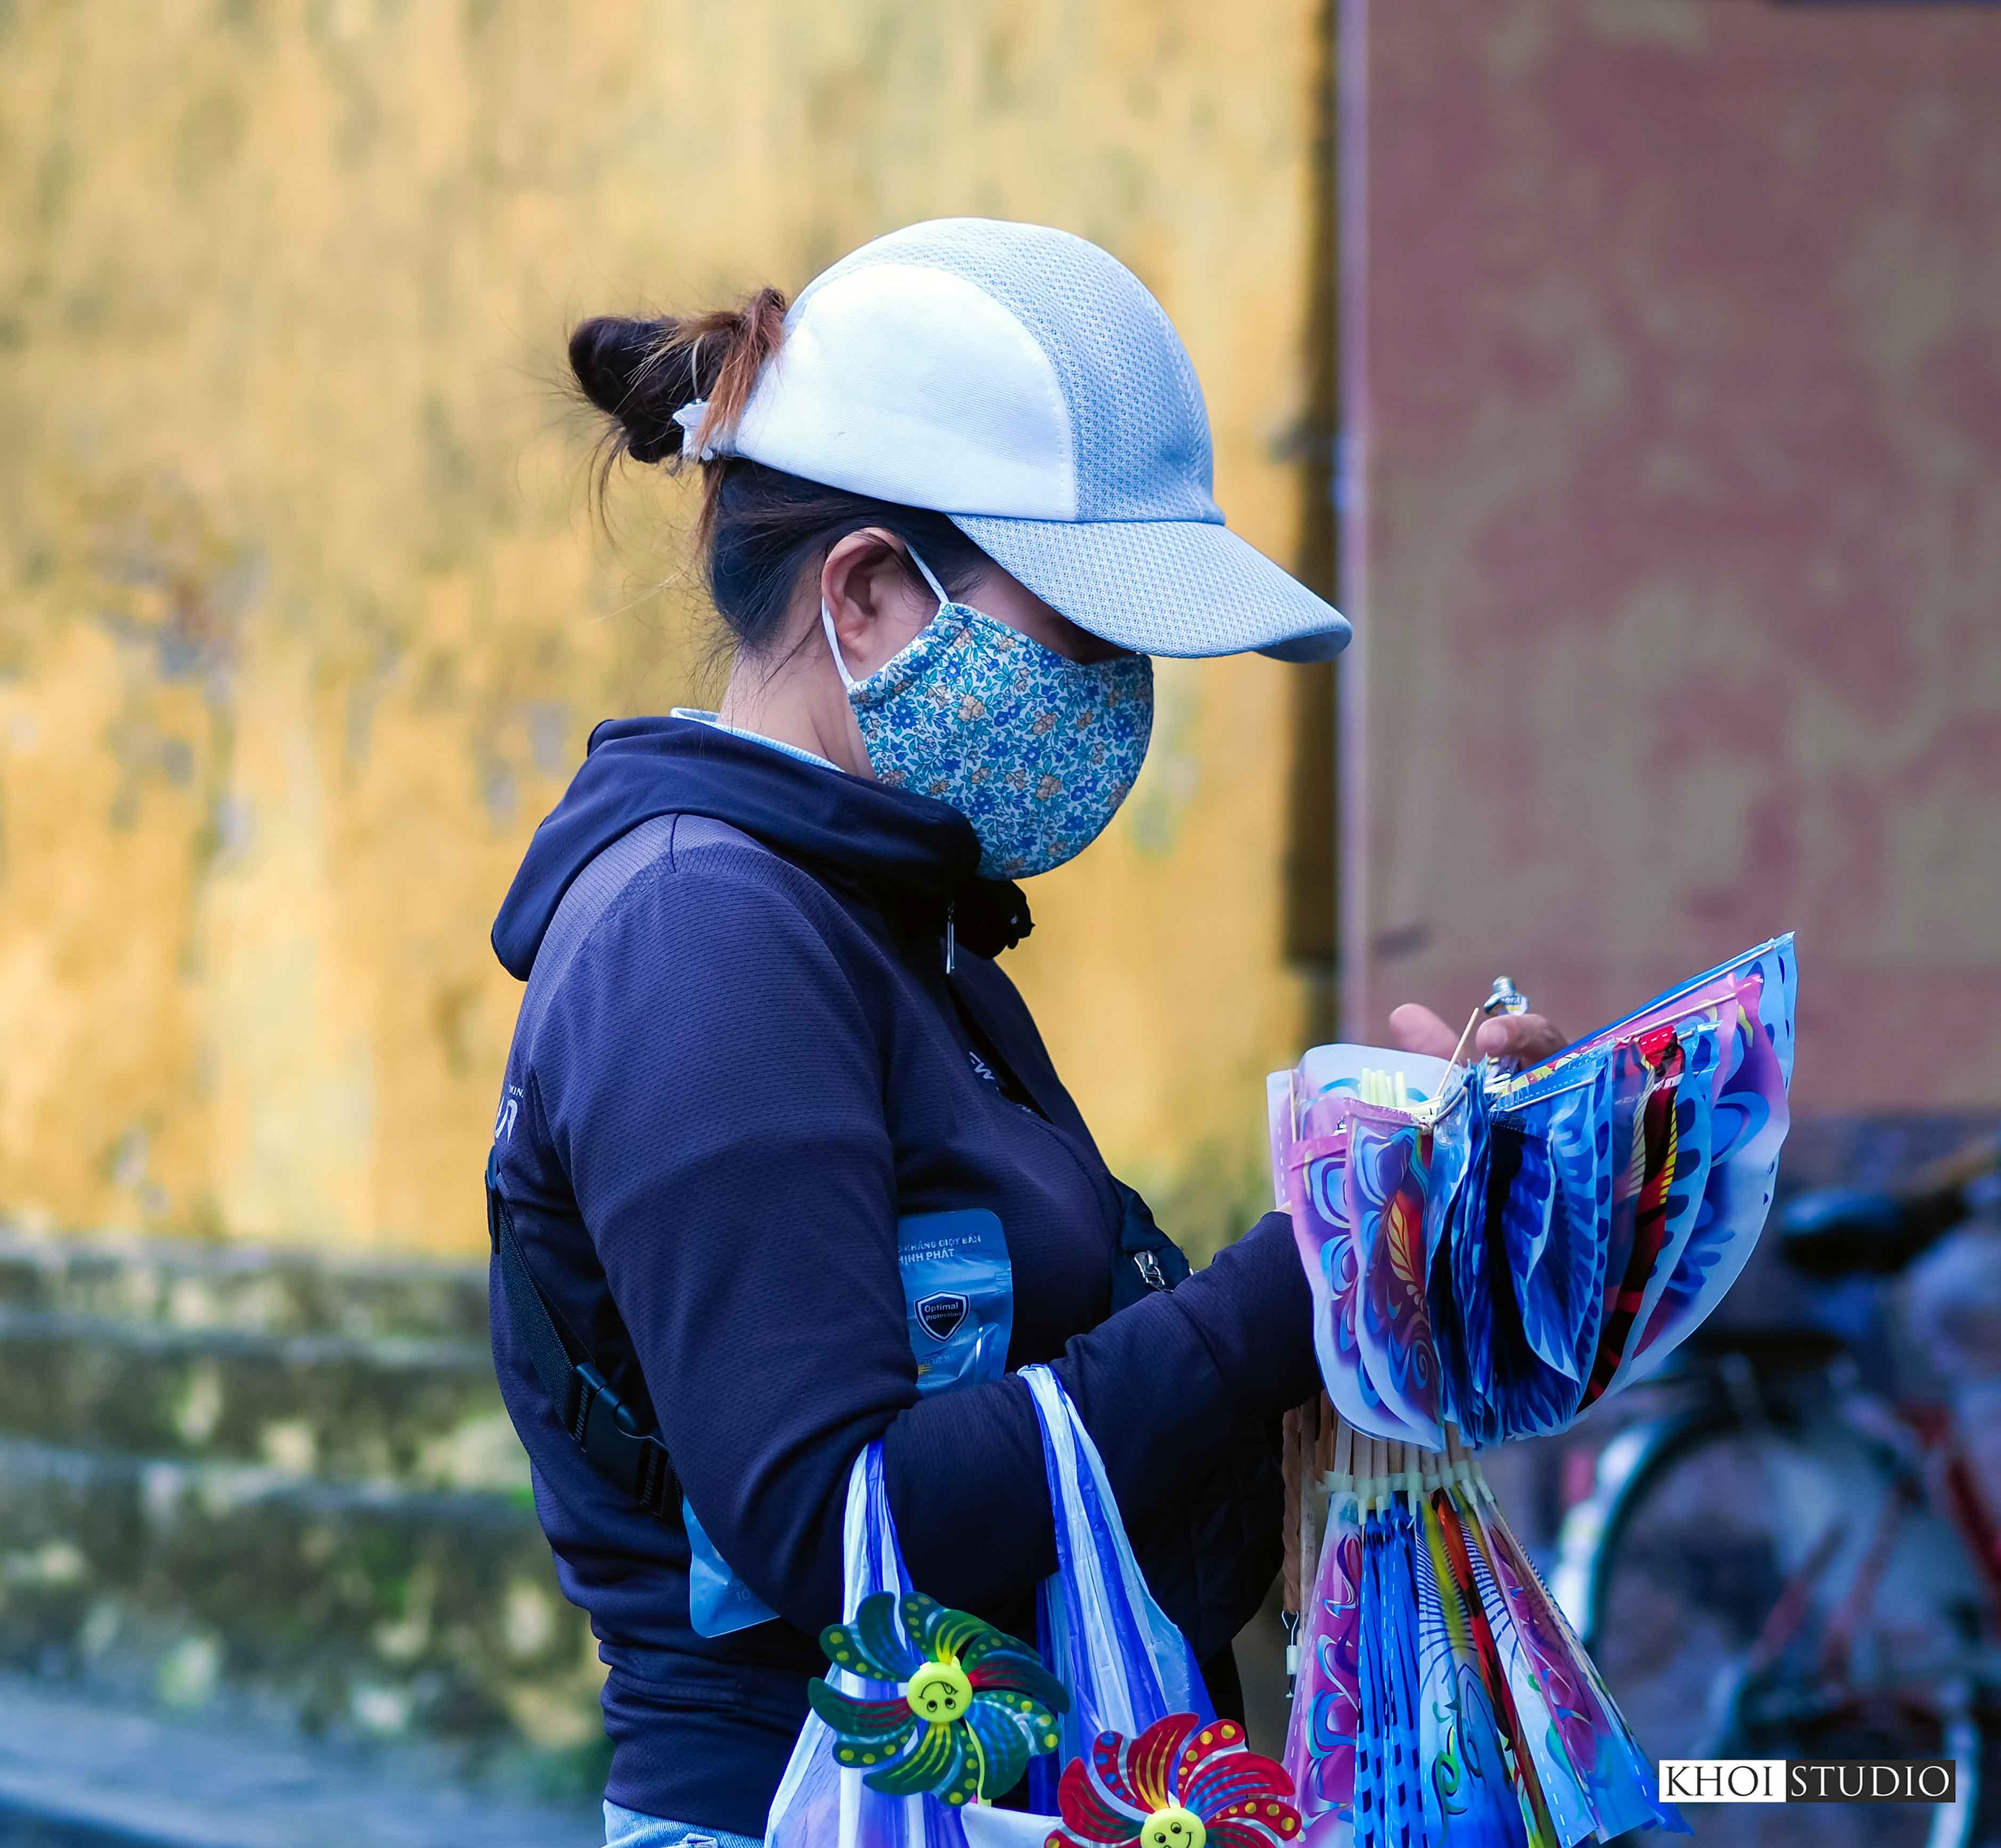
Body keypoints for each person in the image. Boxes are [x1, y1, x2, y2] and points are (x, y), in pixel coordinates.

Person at [484, 220, 1564, 1848]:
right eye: (1088, 631)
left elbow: (1103, 1440)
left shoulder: (891, 919)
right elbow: (845, 1533)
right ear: (866, 595)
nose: (1123, 694)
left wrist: (1434, 1197)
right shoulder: (700, 937)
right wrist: (1312, 1269)